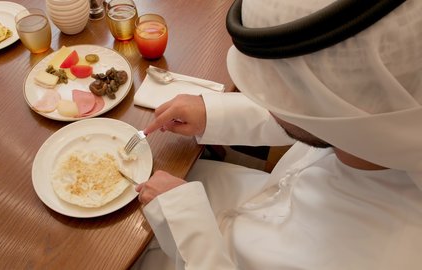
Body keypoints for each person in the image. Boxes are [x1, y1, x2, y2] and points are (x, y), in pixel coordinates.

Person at [131, 0, 422, 269]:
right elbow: (314, 114)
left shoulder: (389, 256)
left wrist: (184, 221)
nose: (264, 100)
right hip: (260, 198)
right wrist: (212, 112)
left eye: (274, 89)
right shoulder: (379, 118)